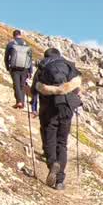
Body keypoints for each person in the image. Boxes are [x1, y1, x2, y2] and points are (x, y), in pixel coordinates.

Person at [30, 48, 82, 189]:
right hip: (67, 107)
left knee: (49, 139)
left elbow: (34, 90)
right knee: (62, 143)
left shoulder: (42, 66)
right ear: (59, 55)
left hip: (49, 107)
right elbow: (77, 89)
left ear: (46, 56)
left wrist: (33, 107)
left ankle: (53, 164)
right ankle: (60, 181)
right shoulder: (69, 65)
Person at [4, 30, 34, 109]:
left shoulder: (11, 44)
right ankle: (22, 102)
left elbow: (6, 57)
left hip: (14, 68)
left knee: (16, 84)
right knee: (22, 85)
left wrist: (7, 66)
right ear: (20, 35)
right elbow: (30, 59)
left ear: (13, 35)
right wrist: (30, 71)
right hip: (25, 68)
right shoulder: (26, 45)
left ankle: (19, 102)